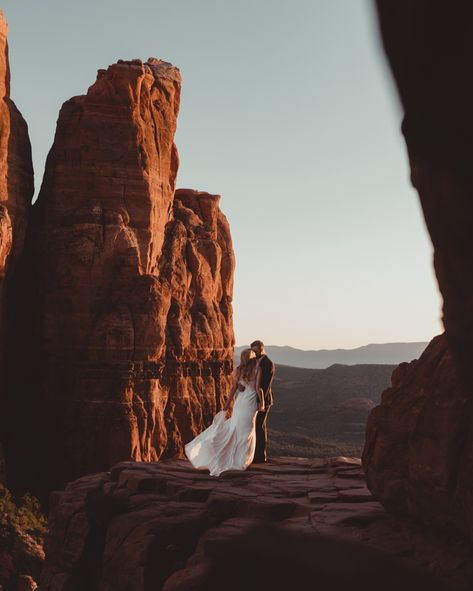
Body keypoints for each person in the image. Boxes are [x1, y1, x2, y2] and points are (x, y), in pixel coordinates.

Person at [185, 348, 265, 477]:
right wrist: (262, 403)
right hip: (250, 403)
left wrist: (226, 406)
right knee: (247, 431)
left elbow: (234, 389)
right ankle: (242, 460)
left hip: (240, 403)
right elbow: (258, 389)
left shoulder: (239, 370)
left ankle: (229, 457)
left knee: (236, 428)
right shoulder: (257, 370)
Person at [249, 340, 275, 463]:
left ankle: (261, 456)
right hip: (251, 399)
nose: (252, 350)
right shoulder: (253, 361)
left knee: (260, 426)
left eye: (253, 348)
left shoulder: (268, 363)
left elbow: (265, 385)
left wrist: (261, 401)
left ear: (260, 348)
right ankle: (252, 454)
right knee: (253, 427)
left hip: (263, 400)